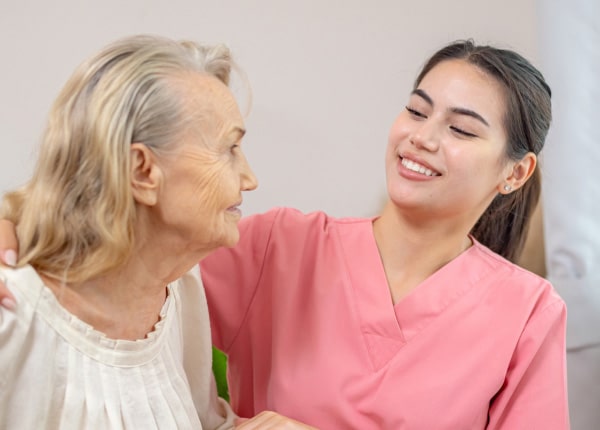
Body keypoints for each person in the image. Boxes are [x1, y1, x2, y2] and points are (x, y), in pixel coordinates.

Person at [0, 39, 569, 429]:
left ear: (515, 173)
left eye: (461, 129)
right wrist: (14, 218)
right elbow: (121, 247)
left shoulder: (528, 313)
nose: (423, 137)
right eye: (417, 112)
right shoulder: (278, 247)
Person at [0, 34, 314, 429]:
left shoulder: (180, 291)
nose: (250, 179)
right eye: (229, 149)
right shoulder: (12, 317)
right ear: (142, 171)